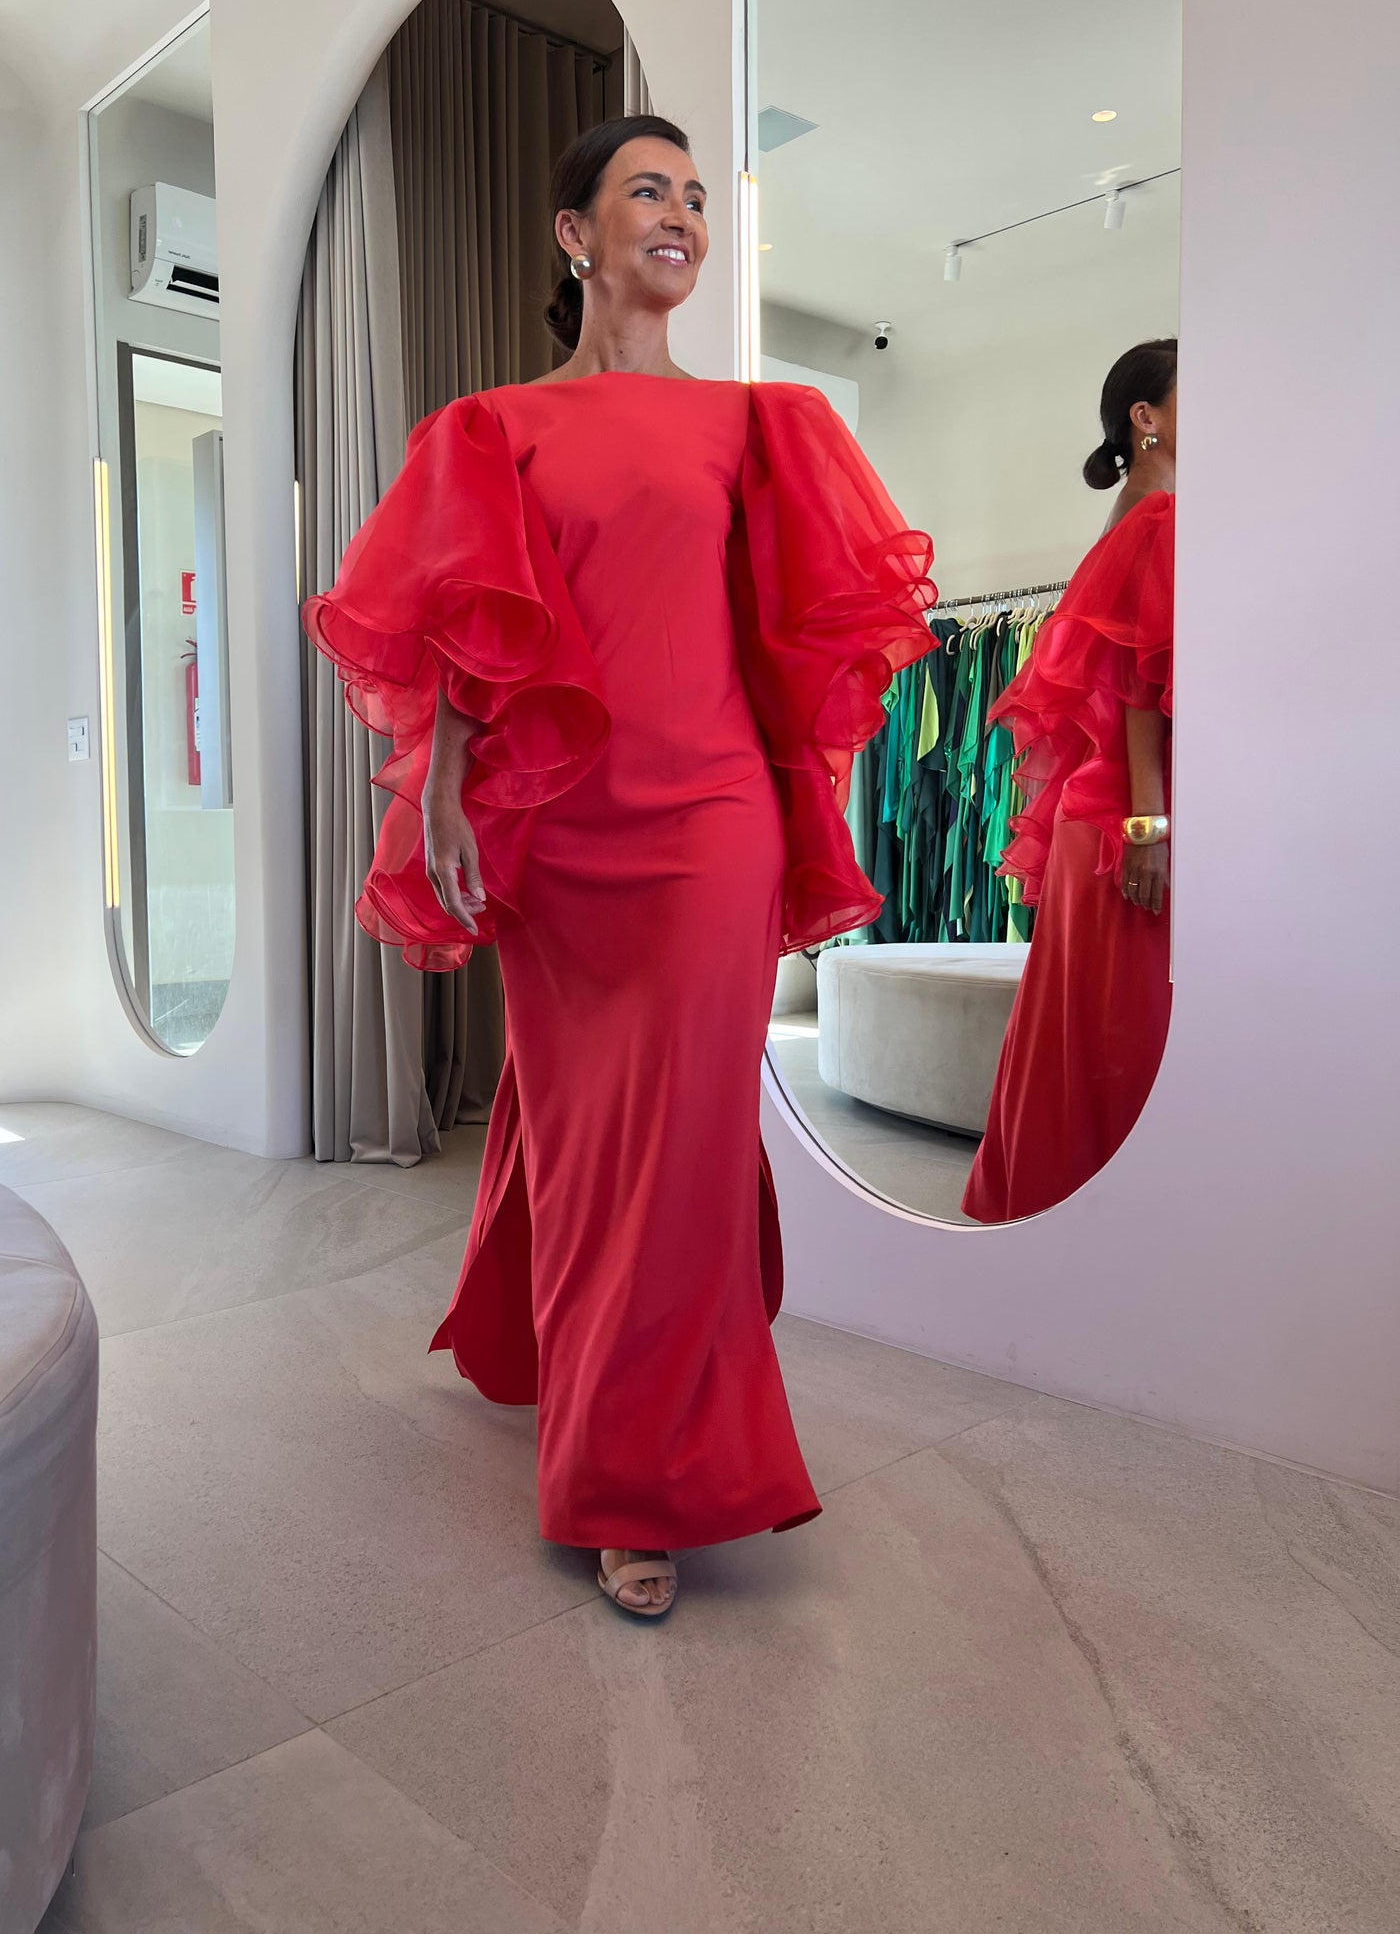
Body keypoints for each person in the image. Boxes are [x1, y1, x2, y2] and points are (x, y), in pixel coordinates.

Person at [304, 114, 937, 1619]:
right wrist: (445, 789)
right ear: (574, 234)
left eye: (697, 198)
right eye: (648, 191)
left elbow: (791, 636)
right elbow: (474, 636)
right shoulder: (493, 428)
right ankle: (573, 1374)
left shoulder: (756, 426)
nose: (683, 216)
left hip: (711, 815)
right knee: (591, 1137)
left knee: (686, 1145)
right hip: (563, 826)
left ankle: (634, 1480)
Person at [963, 339, 1177, 1224]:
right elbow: (1135, 688)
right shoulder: (1162, 518)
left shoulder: (1129, 518)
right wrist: (1152, 827)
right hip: (1130, 820)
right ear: (1146, 417)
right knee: (1125, 1032)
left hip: (1105, 819)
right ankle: (1113, 1229)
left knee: (1080, 1024)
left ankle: (1051, 1212)